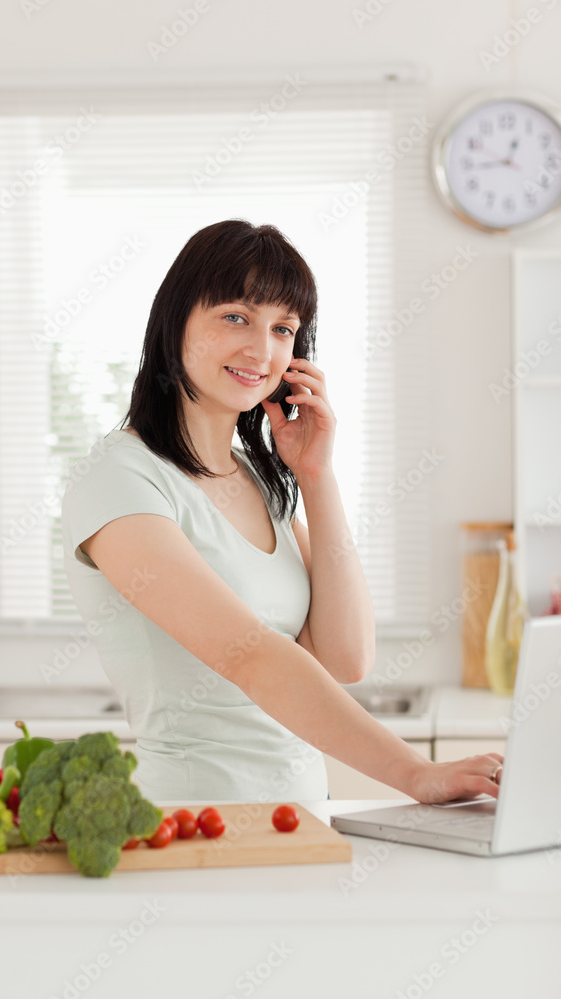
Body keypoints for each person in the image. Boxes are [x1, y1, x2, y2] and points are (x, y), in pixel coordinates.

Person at [61, 218, 503, 804]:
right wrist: (415, 774)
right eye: (236, 317)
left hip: (300, 819)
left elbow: (347, 656)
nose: (261, 349)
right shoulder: (119, 477)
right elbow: (250, 654)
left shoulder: (257, 481)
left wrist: (316, 478)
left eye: (284, 329)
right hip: (196, 821)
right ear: (176, 322)